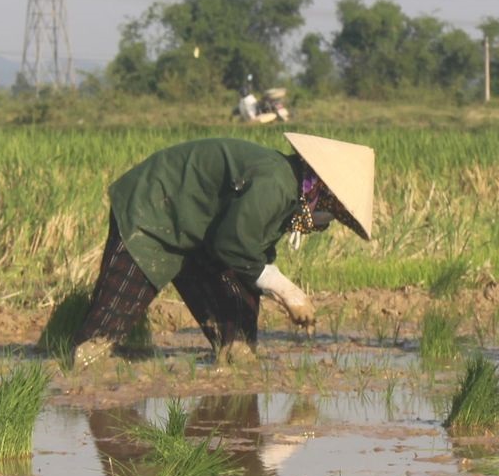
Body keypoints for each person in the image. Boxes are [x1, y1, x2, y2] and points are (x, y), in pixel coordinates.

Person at [67, 133, 374, 368]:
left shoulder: (288, 192)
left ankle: (235, 357)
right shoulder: (276, 184)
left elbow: (251, 254)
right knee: (116, 310)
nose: (325, 224)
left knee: (237, 300)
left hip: (201, 229)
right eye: (331, 216)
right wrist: (288, 292)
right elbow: (234, 245)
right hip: (153, 207)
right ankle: (83, 364)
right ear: (322, 195)